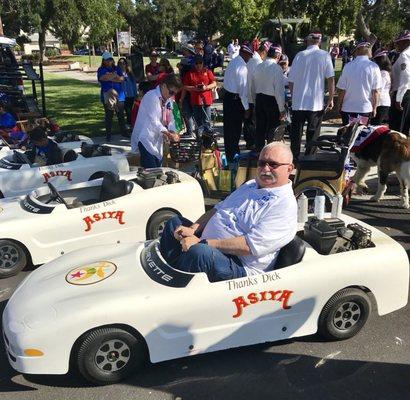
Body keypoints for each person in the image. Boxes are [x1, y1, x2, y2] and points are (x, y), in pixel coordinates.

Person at [160, 142, 297, 282]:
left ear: (289, 169)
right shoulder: (251, 185)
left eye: (273, 164)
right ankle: (171, 272)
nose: (265, 169)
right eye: (261, 163)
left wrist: (202, 242)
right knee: (174, 223)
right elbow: (217, 209)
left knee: (199, 254)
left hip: (241, 265)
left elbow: (248, 246)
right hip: (211, 246)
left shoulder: (284, 205)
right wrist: (192, 229)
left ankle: (175, 284)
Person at [288, 32, 335, 159]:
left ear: (307, 41)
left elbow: (291, 80)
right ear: (319, 42)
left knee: (296, 132)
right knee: (313, 132)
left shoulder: (299, 55)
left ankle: (294, 156)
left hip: (299, 101)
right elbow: (330, 79)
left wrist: (294, 97)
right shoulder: (324, 56)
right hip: (316, 102)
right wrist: (330, 98)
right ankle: (309, 157)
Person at [131, 74, 182, 168]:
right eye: (171, 92)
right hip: (145, 138)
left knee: (157, 171)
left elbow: (171, 118)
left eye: (174, 93)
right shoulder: (151, 96)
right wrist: (168, 133)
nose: (172, 95)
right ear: (163, 86)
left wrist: (173, 131)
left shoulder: (169, 100)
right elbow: (154, 121)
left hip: (157, 141)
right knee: (151, 173)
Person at [337, 41, 382, 126]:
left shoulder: (348, 66)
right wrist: (375, 108)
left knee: (347, 135)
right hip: (364, 109)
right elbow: (376, 91)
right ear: (368, 51)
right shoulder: (374, 67)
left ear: (357, 51)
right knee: (361, 135)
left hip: (348, 108)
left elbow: (342, 89)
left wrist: (339, 104)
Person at [222, 44, 254, 162]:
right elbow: (243, 90)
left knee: (229, 129)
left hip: (229, 97)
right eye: (249, 56)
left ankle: (231, 152)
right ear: (245, 54)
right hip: (236, 100)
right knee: (234, 130)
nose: (250, 58)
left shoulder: (233, 62)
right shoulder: (242, 67)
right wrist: (246, 108)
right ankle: (233, 154)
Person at [253, 44, 286, 152]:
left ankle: (259, 151)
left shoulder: (258, 66)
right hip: (271, 100)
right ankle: (271, 152)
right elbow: (279, 92)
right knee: (272, 128)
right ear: (278, 56)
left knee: (260, 128)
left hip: (259, 98)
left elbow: (252, 86)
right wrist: (282, 109)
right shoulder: (276, 69)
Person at [180, 55, 216, 136]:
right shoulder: (190, 74)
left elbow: (214, 83)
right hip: (195, 100)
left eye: (200, 63)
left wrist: (206, 87)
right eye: (197, 63)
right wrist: (194, 88)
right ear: (194, 64)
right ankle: (200, 141)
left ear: (203, 63)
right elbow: (184, 87)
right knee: (198, 122)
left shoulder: (208, 71)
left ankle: (208, 141)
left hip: (206, 100)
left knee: (207, 121)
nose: (199, 65)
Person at [245, 41, 271, 149]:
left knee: (249, 120)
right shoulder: (257, 62)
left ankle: (250, 141)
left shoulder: (253, 59)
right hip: (253, 95)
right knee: (251, 120)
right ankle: (251, 142)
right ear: (264, 51)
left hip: (248, 94)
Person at [97, 51, 127, 142]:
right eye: (107, 60)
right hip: (107, 94)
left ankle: (124, 132)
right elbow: (102, 78)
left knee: (120, 115)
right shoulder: (101, 69)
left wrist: (111, 76)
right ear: (104, 61)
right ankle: (108, 135)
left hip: (119, 94)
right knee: (109, 115)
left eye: (110, 59)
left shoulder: (117, 68)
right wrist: (114, 76)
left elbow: (122, 79)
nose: (109, 61)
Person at [390, 30, 410, 135]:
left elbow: (405, 77)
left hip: (403, 93)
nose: (397, 45)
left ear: (405, 42)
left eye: (398, 42)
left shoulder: (404, 55)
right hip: (406, 93)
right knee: (405, 128)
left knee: (398, 130)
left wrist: (399, 98)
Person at [371, 49, 391, 125]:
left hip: (381, 103)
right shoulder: (384, 72)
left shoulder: (383, 74)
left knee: (375, 125)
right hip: (381, 102)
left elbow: (379, 90)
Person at [118, 57, 137, 126]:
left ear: (126, 64)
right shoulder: (117, 74)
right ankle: (126, 124)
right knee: (124, 111)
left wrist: (135, 94)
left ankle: (130, 123)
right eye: (120, 63)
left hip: (130, 94)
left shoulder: (130, 74)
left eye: (123, 63)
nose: (122, 65)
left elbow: (134, 85)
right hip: (122, 95)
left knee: (130, 111)